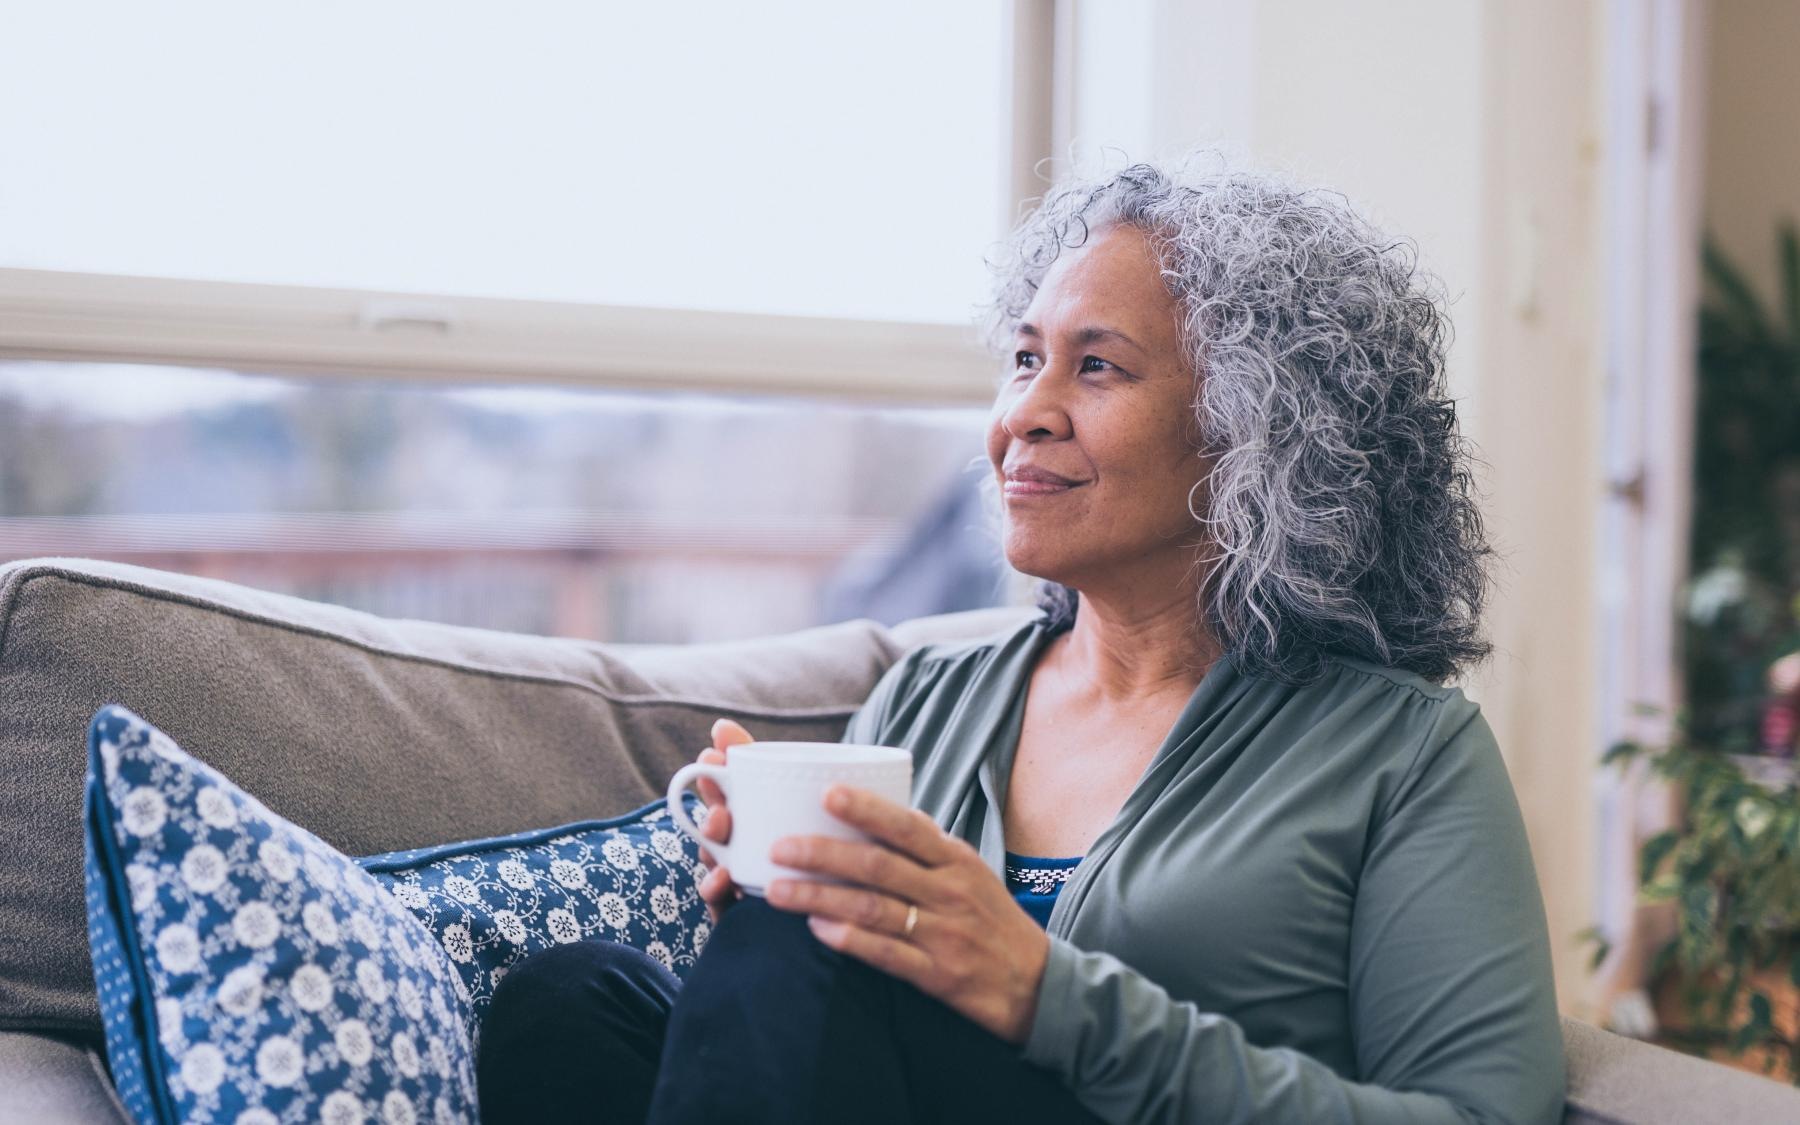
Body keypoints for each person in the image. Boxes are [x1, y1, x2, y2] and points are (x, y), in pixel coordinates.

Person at [475, 155, 1567, 1124]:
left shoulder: (1402, 755)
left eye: (1098, 367)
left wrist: (1049, 996)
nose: (1025, 414)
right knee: (572, 1003)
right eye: (1025, 358)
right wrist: (768, 904)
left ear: (1258, 435)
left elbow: (1482, 1113)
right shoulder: (927, 698)